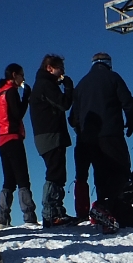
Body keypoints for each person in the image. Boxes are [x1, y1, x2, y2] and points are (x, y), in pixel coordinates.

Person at [69, 52, 133, 223]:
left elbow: (72, 117)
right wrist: (131, 122)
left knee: (100, 173)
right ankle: (111, 206)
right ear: (108, 63)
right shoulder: (113, 78)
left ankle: (103, 213)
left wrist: (81, 131)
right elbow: (127, 102)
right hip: (111, 133)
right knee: (121, 169)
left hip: (88, 138)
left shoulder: (82, 84)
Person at [28, 53, 78, 227]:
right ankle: (50, 212)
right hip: (50, 135)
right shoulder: (45, 85)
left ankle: (56, 210)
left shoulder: (42, 85)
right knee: (55, 172)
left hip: (47, 136)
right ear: (49, 68)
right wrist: (69, 89)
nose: (62, 73)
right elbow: (63, 104)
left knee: (57, 172)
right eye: (60, 69)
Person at [0, 63, 38, 226]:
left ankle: (2, 217)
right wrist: (26, 96)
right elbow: (18, 113)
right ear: (14, 75)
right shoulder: (11, 91)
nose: (23, 78)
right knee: (22, 178)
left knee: (9, 180)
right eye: (21, 75)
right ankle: (29, 216)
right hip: (13, 137)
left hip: (1, 140)